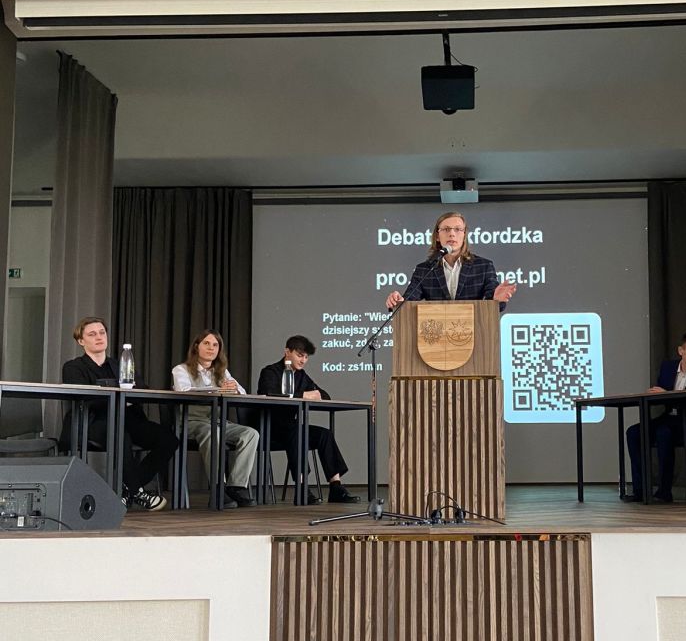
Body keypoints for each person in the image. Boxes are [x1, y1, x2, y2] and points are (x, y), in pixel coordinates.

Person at [60, 316, 176, 511]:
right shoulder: (73, 367)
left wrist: (122, 395)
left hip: (127, 419)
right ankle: (137, 492)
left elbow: (141, 388)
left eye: (102, 333)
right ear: (81, 341)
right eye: (92, 334)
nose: (99, 337)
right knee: (121, 435)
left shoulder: (120, 364)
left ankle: (129, 488)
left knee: (168, 439)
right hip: (93, 421)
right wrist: (120, 395)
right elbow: (84, 398)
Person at [257, 335, 360, 504]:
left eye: (306, 357)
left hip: (292, 429)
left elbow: (324, 395)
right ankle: (301, 487)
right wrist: (303, 395)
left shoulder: (301, 375)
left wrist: (316, 394)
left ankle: (336, 486)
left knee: (324, 434)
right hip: (270, 428)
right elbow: (269, 393)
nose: (303, 360)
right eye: (300, 355)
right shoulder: (270, 372)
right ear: (287, 352)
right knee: (297, 431)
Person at [172, 329, 259, 508]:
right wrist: (218, 390)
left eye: (215, 345)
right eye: (206, 343)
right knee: (213, 432)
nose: (211, 348)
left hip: (217, 422)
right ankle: (218, 487)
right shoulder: (181, 370)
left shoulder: (222, 372)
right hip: (192, 422)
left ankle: (235, 487)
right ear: (196, 347)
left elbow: (242, 392)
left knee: (250, 434)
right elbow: (184, 390)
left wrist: (234, 389)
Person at [623, 329, 686, 503]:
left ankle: (664, 492)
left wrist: (668, 394)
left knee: (663, 433)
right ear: (681, 351)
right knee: (633, 432)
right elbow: (660, 393)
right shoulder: (668, 367)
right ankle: (640, 490)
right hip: (669, 417)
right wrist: (658, 394)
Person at [385, 212, 517, 310]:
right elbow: (408, 302)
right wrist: (398, 302)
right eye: (446, 229)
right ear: (437, 236)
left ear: (464, 235)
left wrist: (496, 299)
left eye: (458, 229)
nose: (452, 234)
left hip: (474, 333)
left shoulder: (483, 266)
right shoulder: (424, 269)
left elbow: (493, 304)